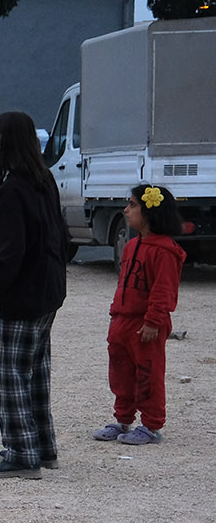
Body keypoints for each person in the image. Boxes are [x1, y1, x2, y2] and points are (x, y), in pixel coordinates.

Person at [0, 110, 70, 479]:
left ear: (5, 140)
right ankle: (43, 446)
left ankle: (22, 453)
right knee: (34, 372)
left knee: (8, 372)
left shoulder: (15, 188)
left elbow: (9, 251)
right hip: (49, 288)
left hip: (27, 294)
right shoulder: (43, 179)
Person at [95, 185, 186, 446]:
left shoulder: (165, 250)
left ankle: (151, 425)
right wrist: (115, 315)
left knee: (148, 373)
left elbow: (163, 290)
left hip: (145, 325)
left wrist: (153, 321)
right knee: (120, 373)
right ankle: (123, 419)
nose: (126, 209)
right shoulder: (132, 245)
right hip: (122, 321)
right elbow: (123, 283)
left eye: (133, 204)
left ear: (149, 211)